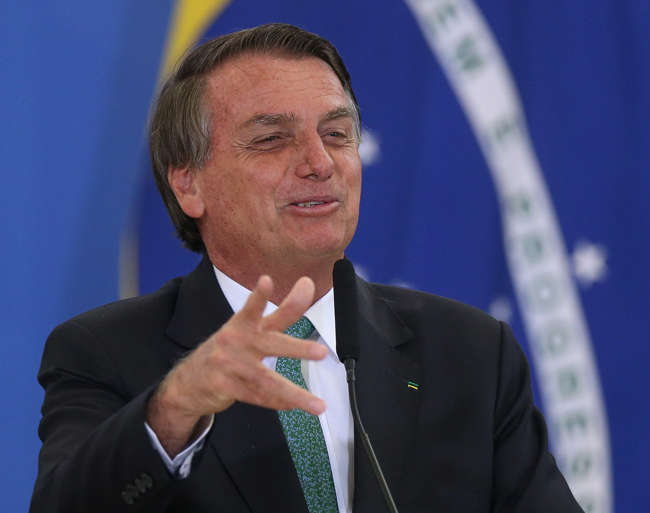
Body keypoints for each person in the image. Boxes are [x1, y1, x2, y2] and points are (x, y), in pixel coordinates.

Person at [30, 23, 583, 513]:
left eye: (337, 134)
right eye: (272, 139)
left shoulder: (470, 352)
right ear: (188, 184)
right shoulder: (105, 353)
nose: (320, 163)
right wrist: (176, 408)